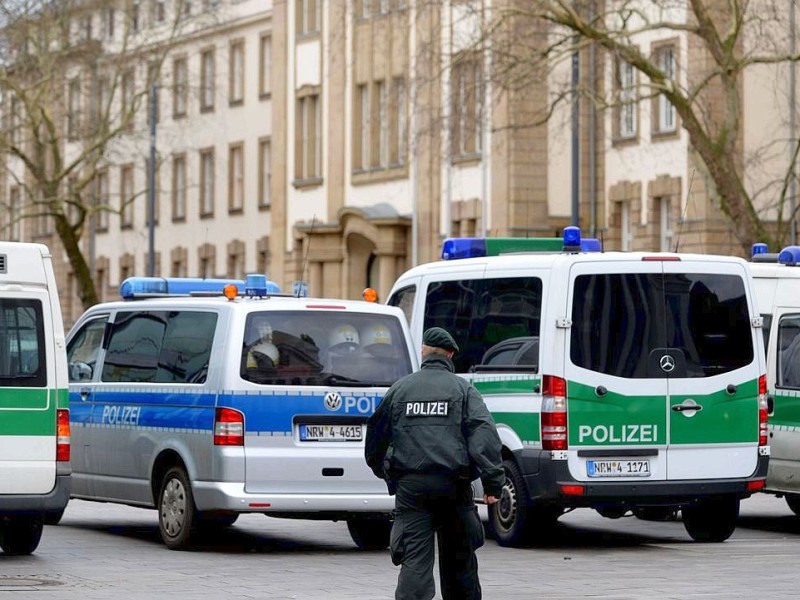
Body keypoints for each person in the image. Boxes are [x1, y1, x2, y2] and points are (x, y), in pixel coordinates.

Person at [365, 326, 505, 600]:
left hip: (412, 490)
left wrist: (386, 473)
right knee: (460, 563)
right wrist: (493, 483)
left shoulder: (400, 389)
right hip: (454, 487)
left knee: (414, 563)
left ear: (423, 352)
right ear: (450, 354)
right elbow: (484, 435)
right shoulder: (463, 390)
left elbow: (375, 437)